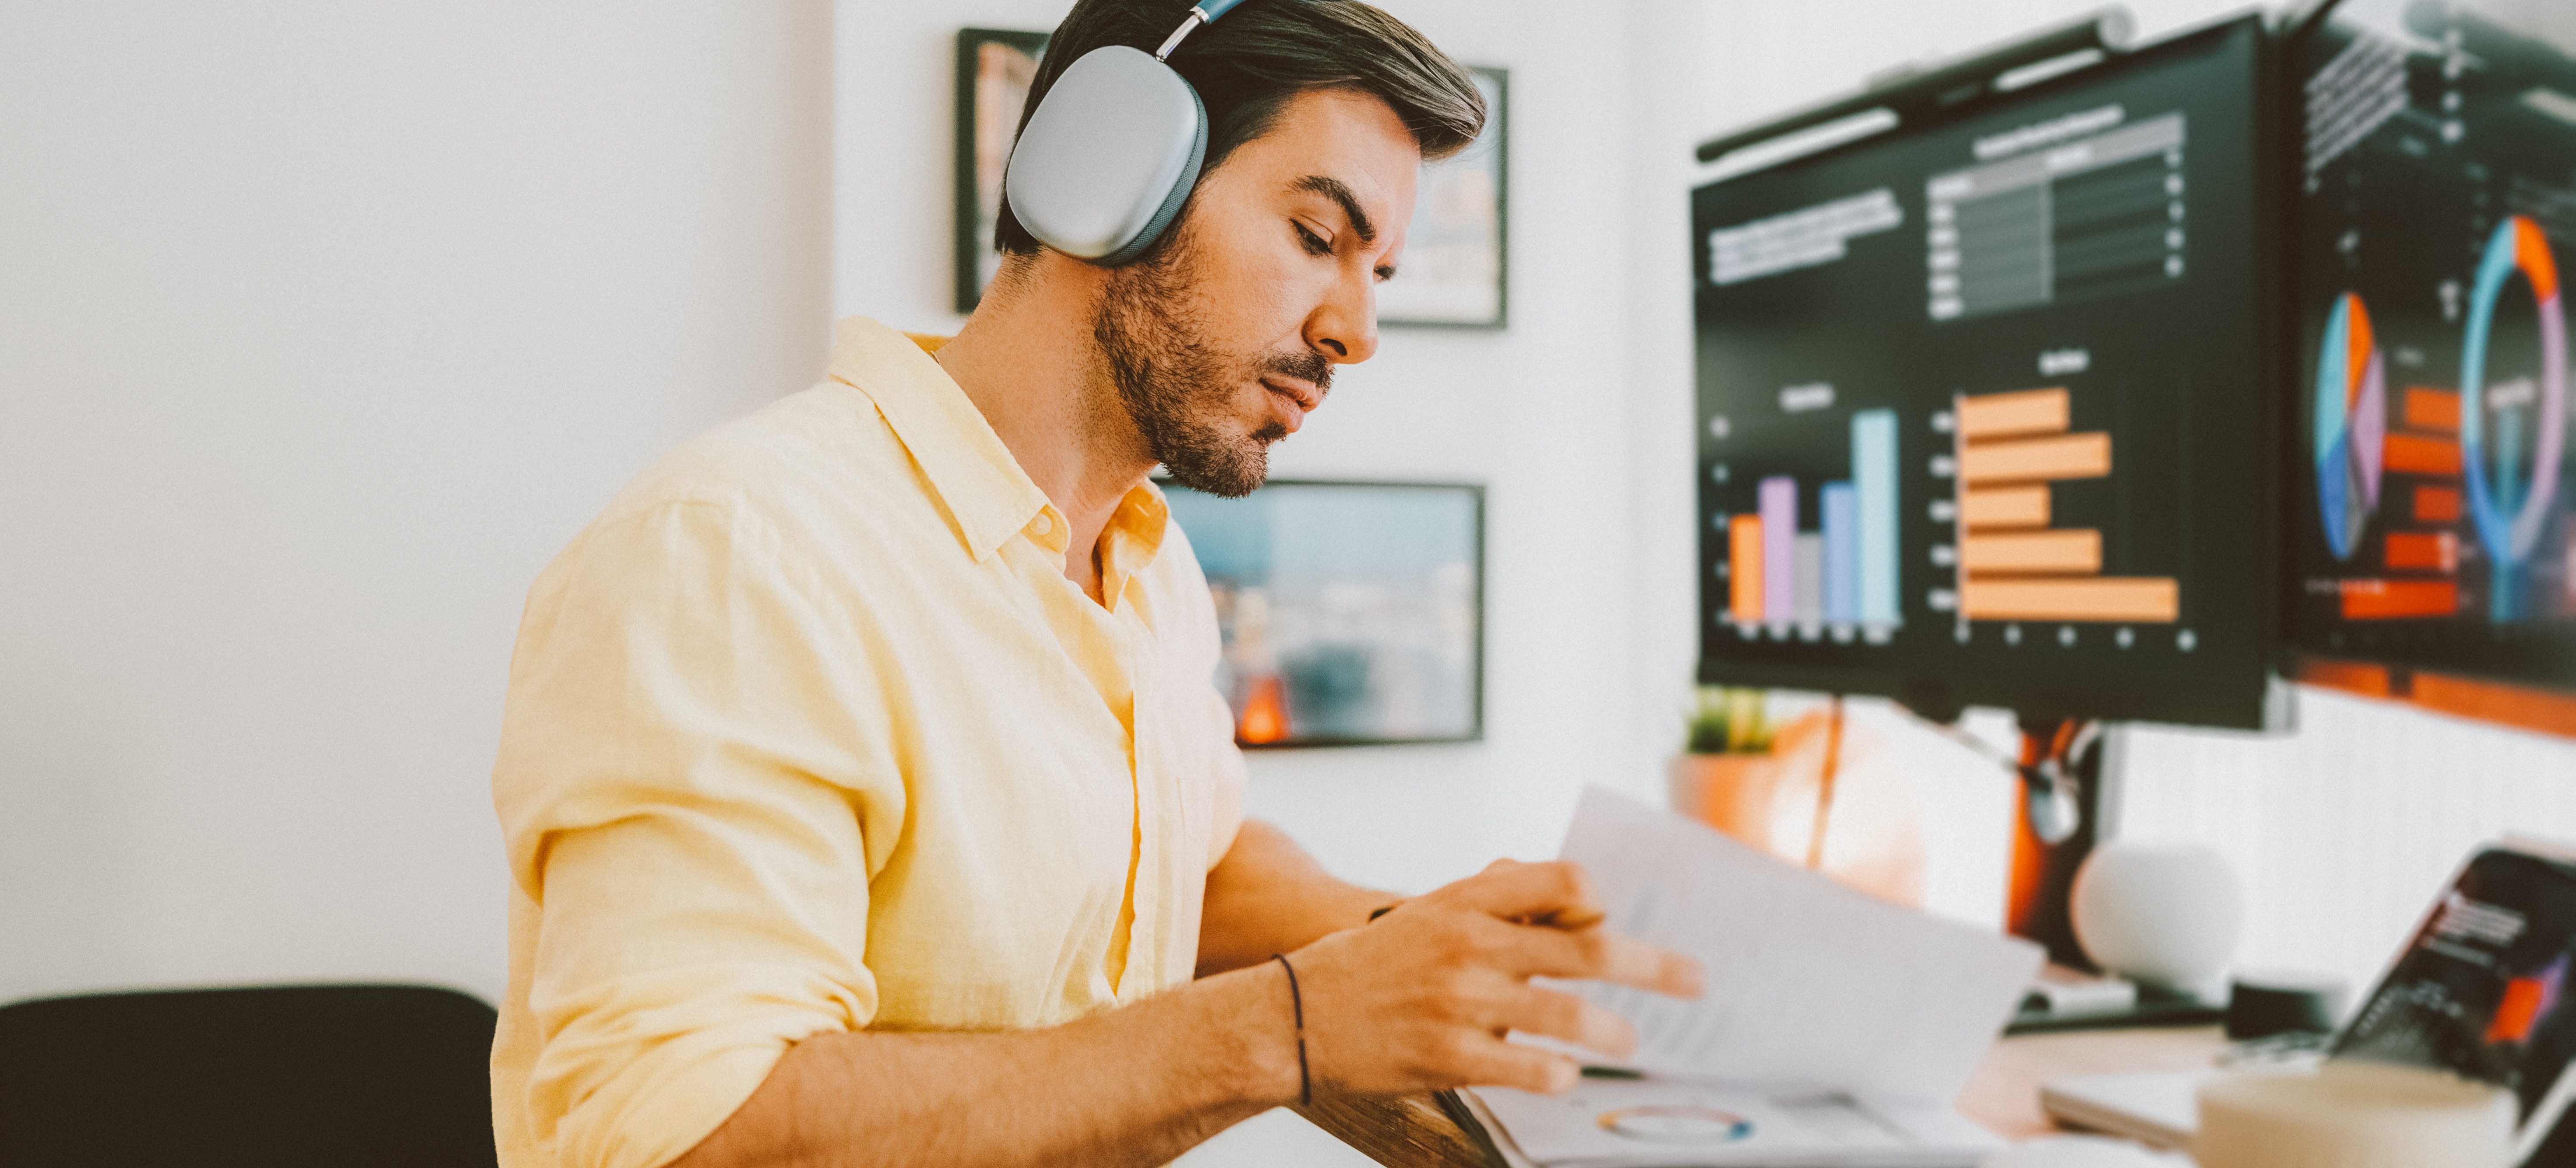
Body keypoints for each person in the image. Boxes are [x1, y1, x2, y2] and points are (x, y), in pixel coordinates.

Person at [487, 2, 1700, 1166]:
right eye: (1318, 238)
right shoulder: (744, 553)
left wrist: (1413, 948)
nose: (1356, 332)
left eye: (1377, 271)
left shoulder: (1144, 563)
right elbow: (681, 1133)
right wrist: (1290, 1026)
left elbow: (1187, 861)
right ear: (1109, 178)